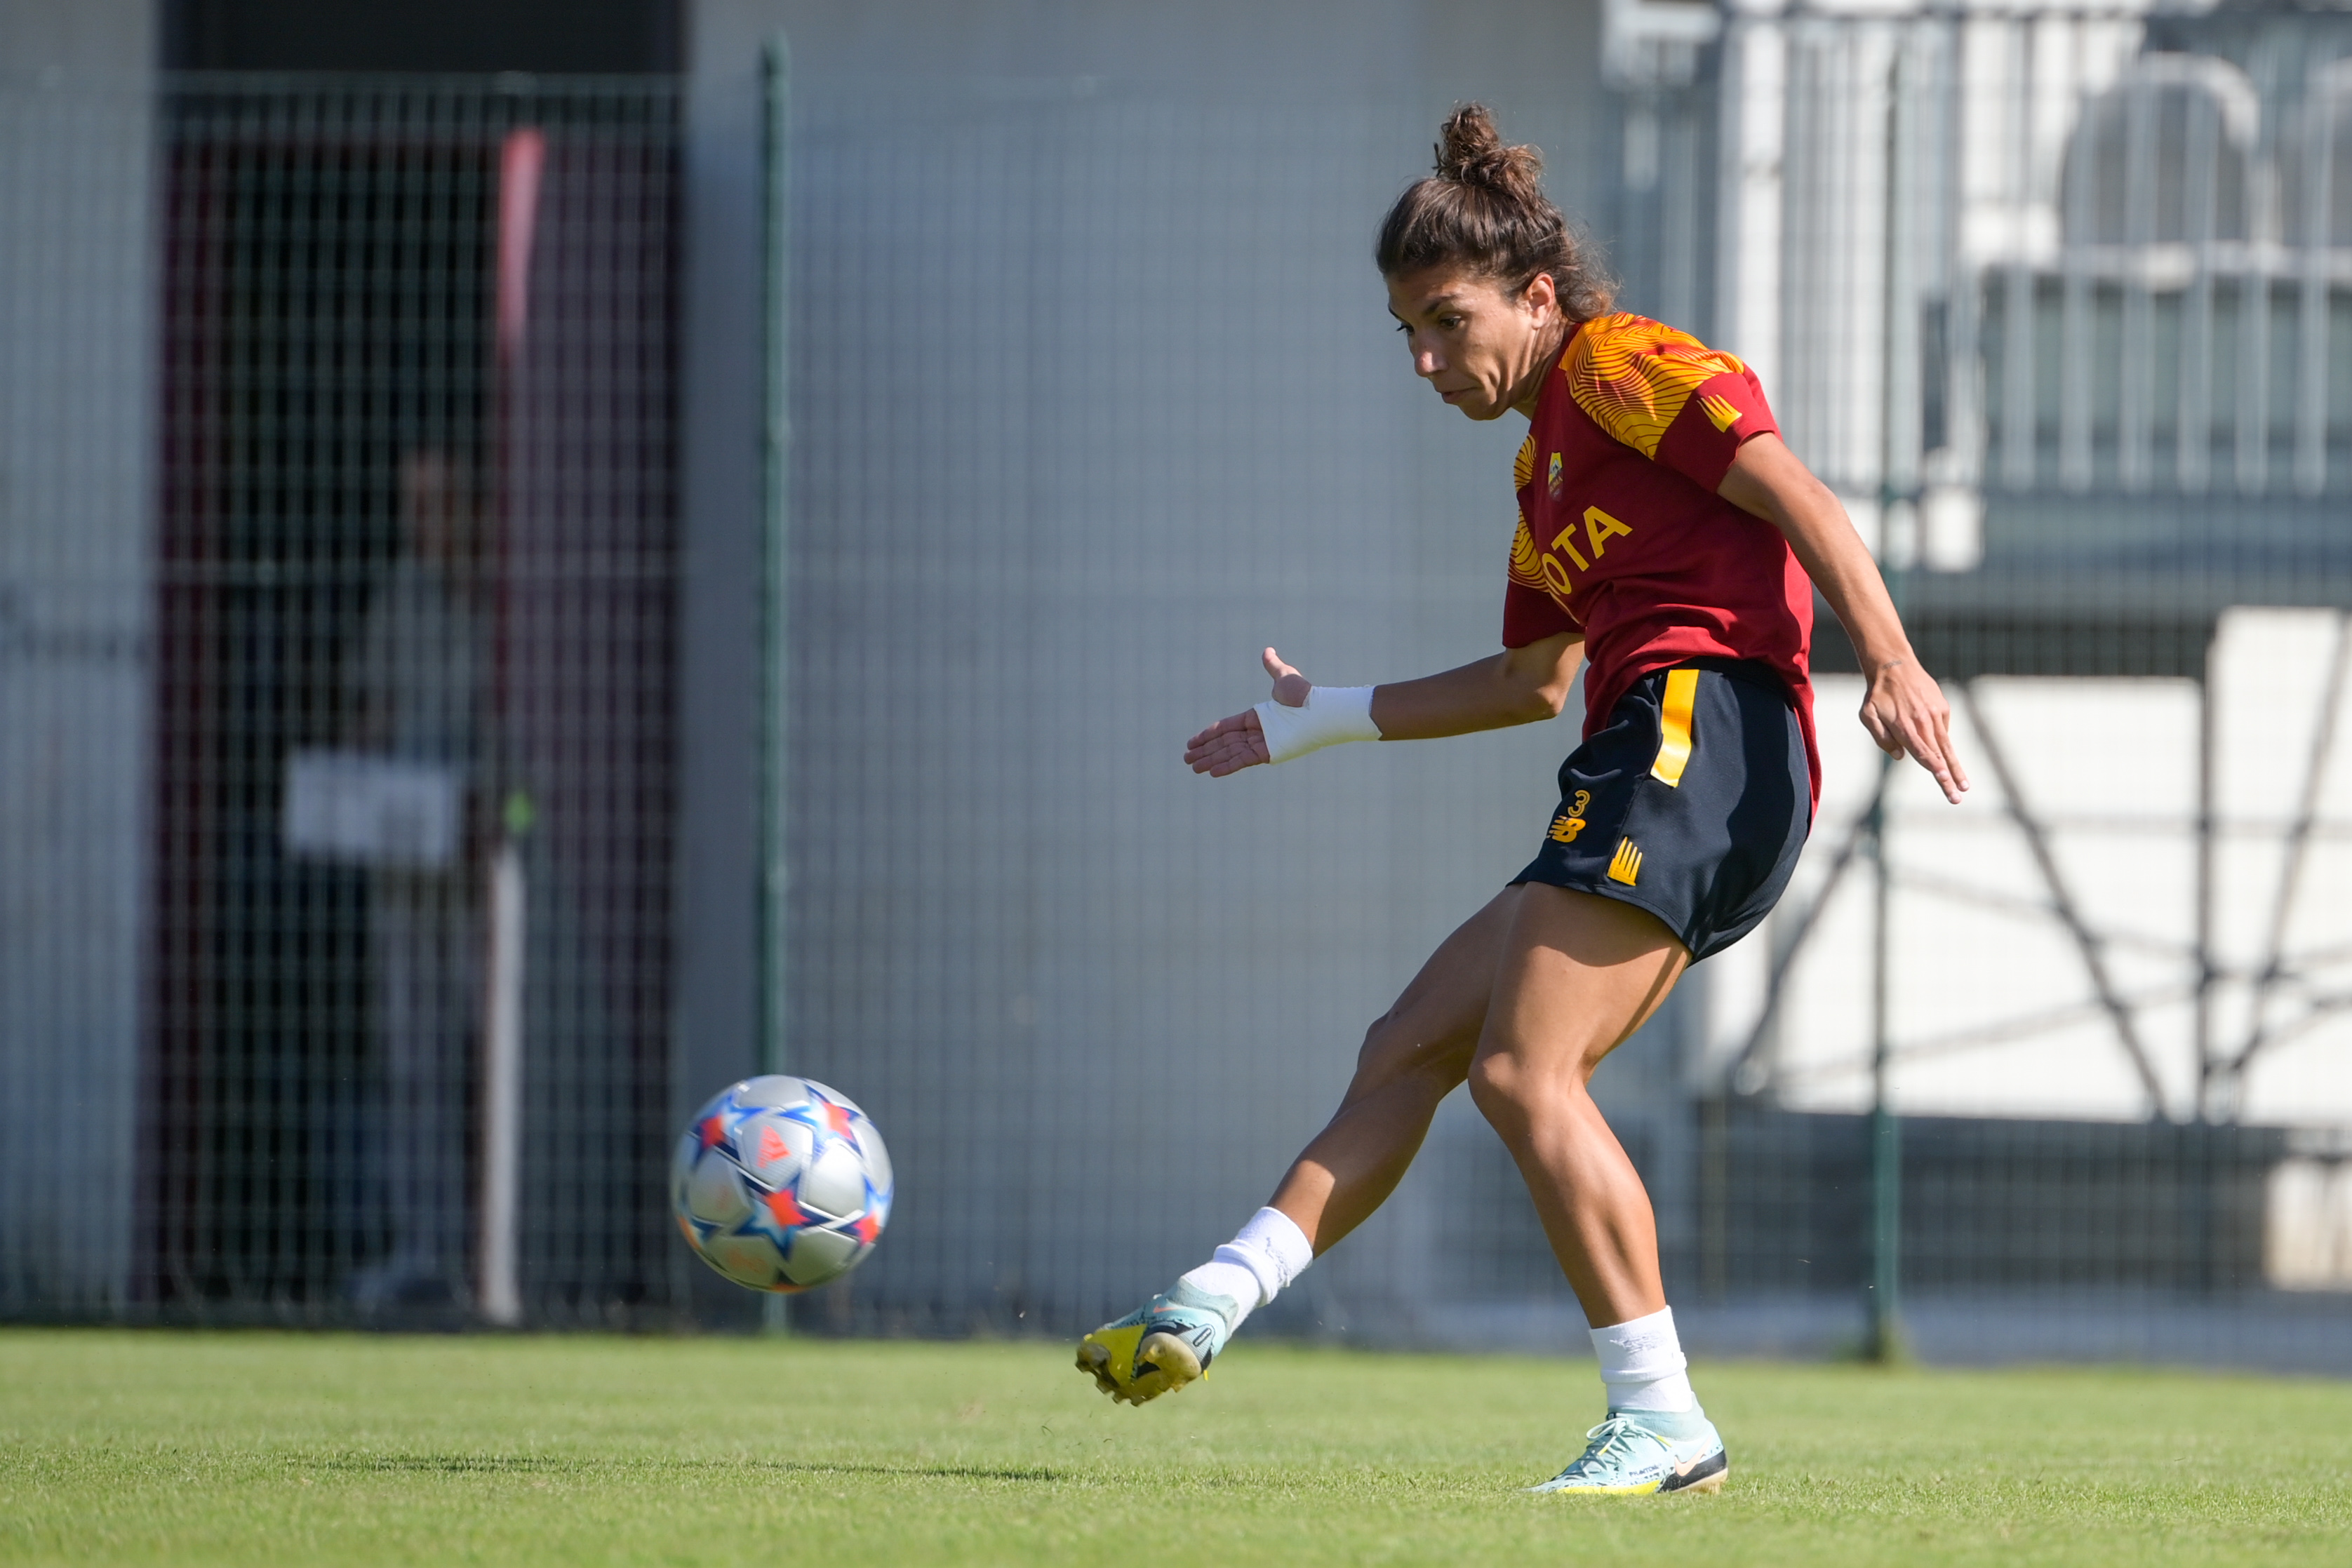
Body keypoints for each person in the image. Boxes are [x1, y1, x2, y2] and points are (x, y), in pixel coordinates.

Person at [1074, 106, 1967, 1495]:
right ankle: (1211, 1297)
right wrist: (1327, 719)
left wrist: (1892, 659)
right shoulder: (1539, 470)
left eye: (1447, 320)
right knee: (1410, 1043)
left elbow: (1797, 492)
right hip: (1640, 745)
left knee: (1519, 1072)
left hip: (1697, 728)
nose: (1428, 360)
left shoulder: (1614, 363)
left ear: (1534, 295)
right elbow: (1530, 678)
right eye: (1405, 336)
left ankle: (1660, 1414)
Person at [342, 448, 492, 1313]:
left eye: (437, 503)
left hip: (488, 881)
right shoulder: (403, 593)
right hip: (405, 867)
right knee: (414, 1061)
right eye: (412, 505)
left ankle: (503, 1253)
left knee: (495, 1060)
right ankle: (422, 1249)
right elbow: (371, 712)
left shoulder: (512, 588)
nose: (421, 523)